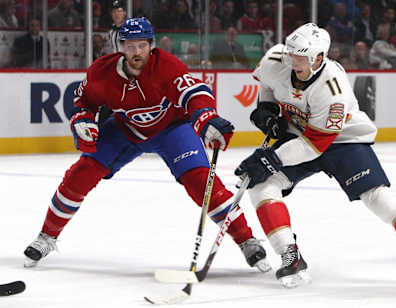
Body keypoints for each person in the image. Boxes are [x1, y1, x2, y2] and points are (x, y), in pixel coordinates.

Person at [23, 17, 271, 275]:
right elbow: (84, 101)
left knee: (201, 181)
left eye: (142, 45)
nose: (136, 52)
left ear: (151, 45)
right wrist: (82, 120)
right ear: (121, 47)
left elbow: (194, 92)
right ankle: (46, 237)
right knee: (82, 172)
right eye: (130, 46)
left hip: (172, 129)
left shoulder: (166, 66)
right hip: (126, 128)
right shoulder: (102, 71)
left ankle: (246, 240)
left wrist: (206, 117)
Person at [234, 23, 396, 288]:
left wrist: (270, 159)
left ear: (319, 58)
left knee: (377, 196)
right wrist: (267, 108)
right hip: (299, 137)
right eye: (291, 53)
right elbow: (269, 83)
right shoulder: (277, 58)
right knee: (262, 186)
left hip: (342, 140)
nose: (292, 60)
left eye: (300, 57)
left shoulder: (333, 89)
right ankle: (290, 255)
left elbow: (315, 145)